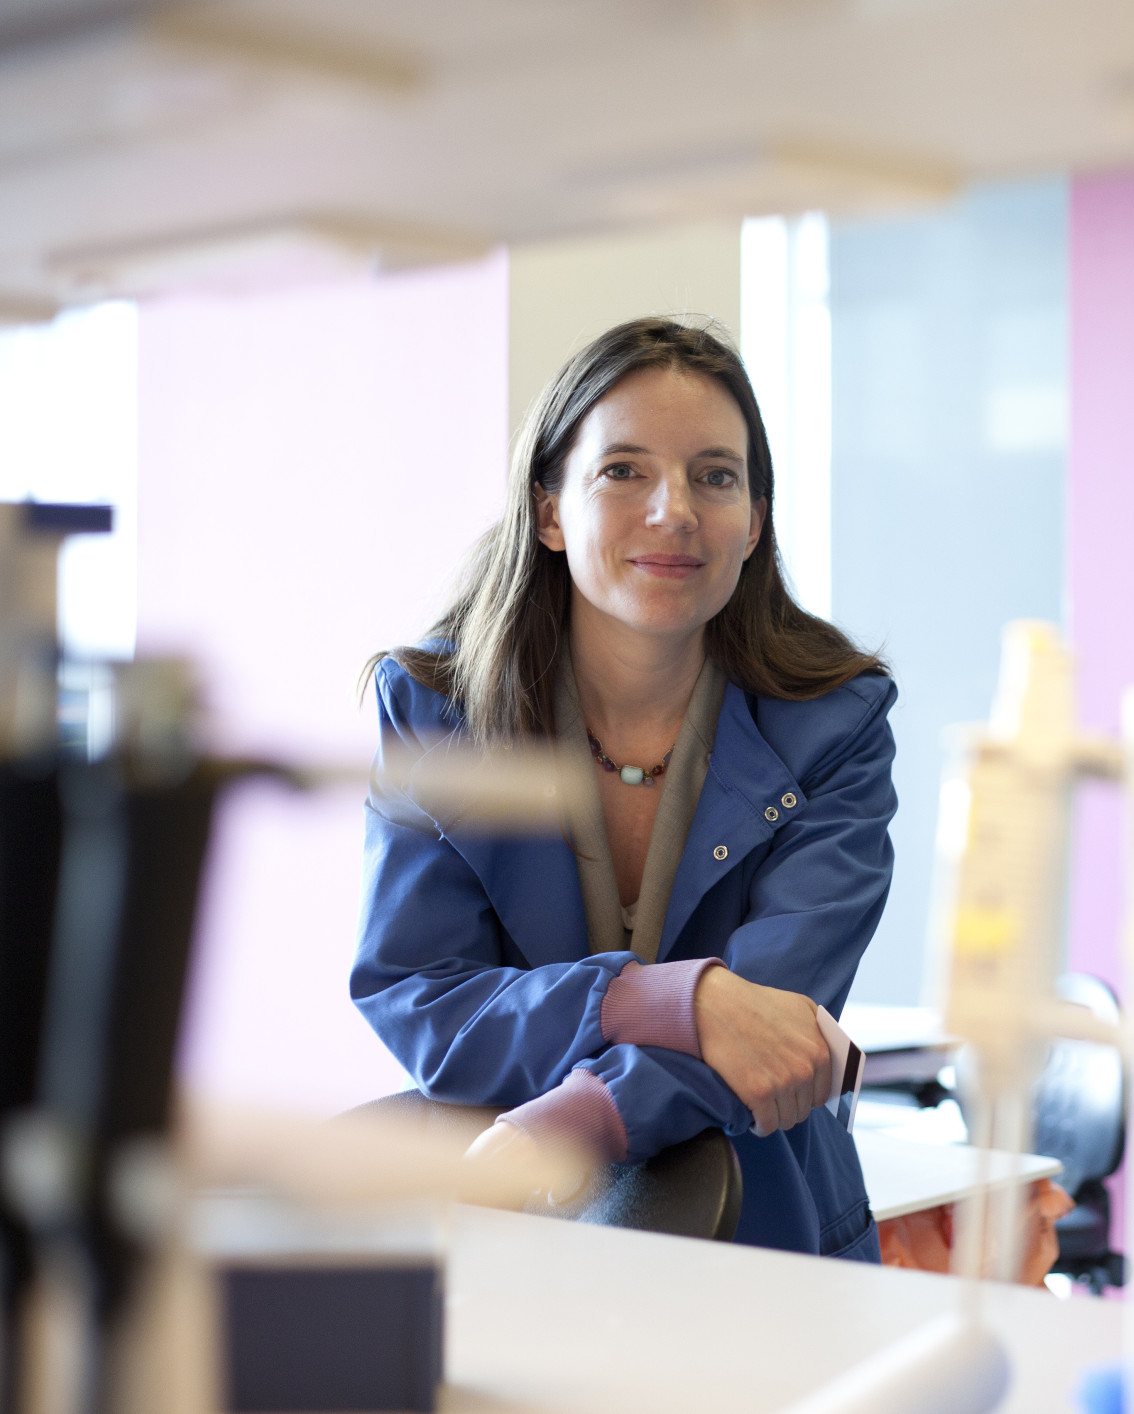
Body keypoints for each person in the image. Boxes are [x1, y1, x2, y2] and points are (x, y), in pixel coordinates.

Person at [352, 317, 896, 1261]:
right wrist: (663, 1001)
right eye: (624, 471)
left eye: (716, 476)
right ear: (551, 510)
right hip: (503, 1228)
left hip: (765, 1230)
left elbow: (779, 1028)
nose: (675, 510)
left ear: (755, 521)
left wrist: (587, 1117)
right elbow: (421, 998)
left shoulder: (835, 724)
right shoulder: (436, 711)